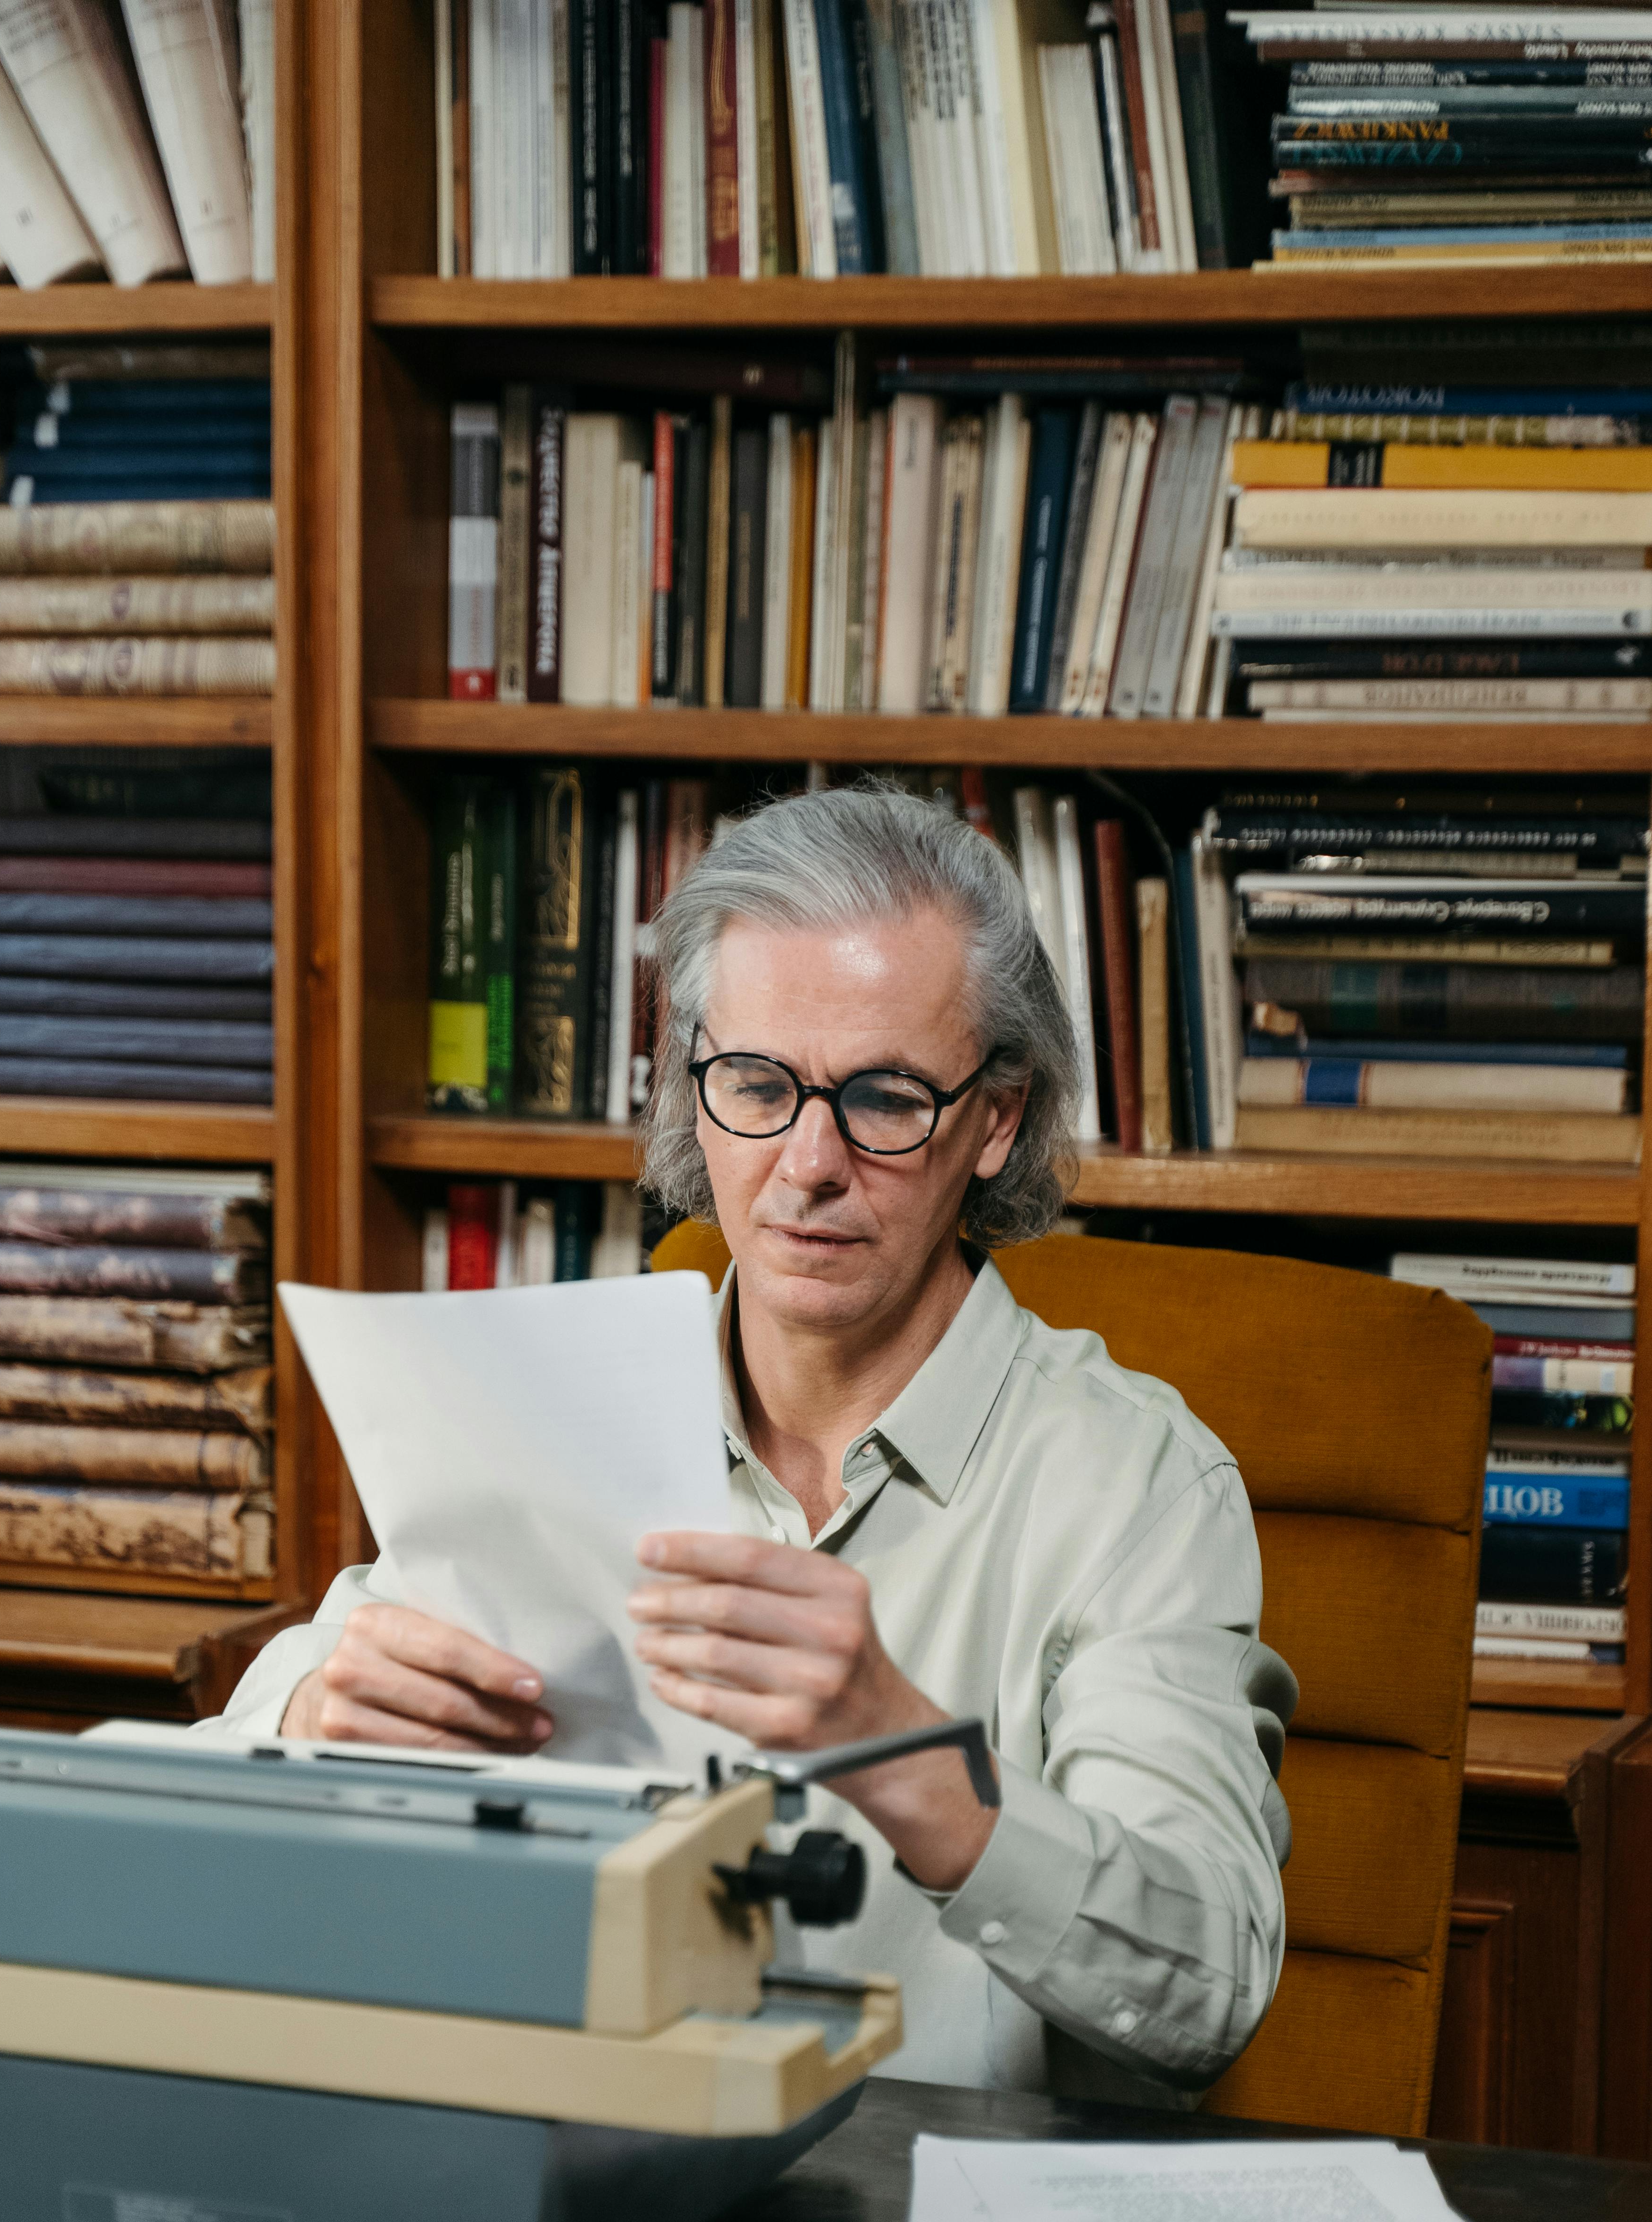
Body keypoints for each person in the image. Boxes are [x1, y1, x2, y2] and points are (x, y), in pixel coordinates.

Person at [209, 786, 1294, 2102]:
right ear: (697, 1085)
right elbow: (206, 1793)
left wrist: (901, 1748)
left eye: (885, 1098)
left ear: (995, 1118)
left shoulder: (1136, 1485)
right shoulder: (547, 1406)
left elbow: (1206, 1979)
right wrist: (325, 1719)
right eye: (759, 1085)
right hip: (578, 2166)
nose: (808, 1162)